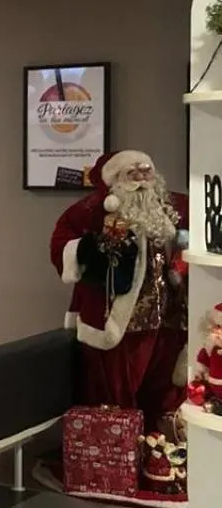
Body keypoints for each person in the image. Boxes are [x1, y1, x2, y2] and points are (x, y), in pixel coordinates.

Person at [50, 148, 188, 429]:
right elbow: (61, 247)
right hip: (119, 324)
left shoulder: (170, 206)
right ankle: (117, 452)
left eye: (145, 170)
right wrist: (92, 249)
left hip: (166, 321)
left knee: (162, 394)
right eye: (131, 173)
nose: (141, 178)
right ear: (115, 179)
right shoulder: (91, 210)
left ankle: (156, 447)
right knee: (115, 399)